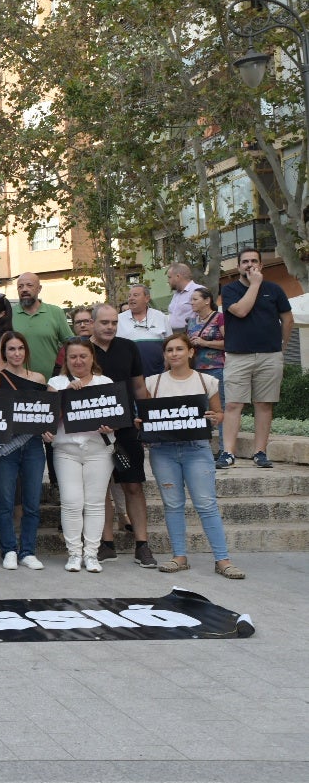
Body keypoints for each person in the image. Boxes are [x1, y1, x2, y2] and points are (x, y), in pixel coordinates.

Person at [143, 333, 238, 578]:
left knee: (206, 504)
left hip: (197, 448)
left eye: (179, 349)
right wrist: (140, 422)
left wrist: (215, 418)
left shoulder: (207, 381)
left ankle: (223, 559)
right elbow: (146, 416)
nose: (174, 354)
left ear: (190, 352)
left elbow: (219, 413)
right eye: (169, 350)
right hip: (163, 450)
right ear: (165, 355)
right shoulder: (152, 383)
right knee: (172, 504)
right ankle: (179, 556)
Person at [89, 304, 152, 565]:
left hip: (126, 431)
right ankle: (106, 543)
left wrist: (147, 420)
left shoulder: (128, 347)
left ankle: (142, 544)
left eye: (114, 322)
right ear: (92, 323)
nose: (110, 327)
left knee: (133, 485)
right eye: (104, 322)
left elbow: (139, 386)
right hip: (92, 431)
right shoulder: (81, 350)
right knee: (100, 488)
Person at [219, 247, 293, 469]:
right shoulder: (230, 289)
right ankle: (228, 453)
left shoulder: (275, 290)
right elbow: (241, 311)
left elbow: (287, 319)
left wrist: (283, 345)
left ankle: (260, 452)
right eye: (245, 262)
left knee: (264, 404)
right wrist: (255, 284)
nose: (249, 265)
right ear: (238, 266)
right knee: (233, 404)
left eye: (254, 261)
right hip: (238, 356)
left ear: (261, 264)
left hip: (269, 356)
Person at [49, 338, 117, 572]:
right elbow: (48, 420)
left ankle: (91, 554)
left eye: (83, 356)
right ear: (66, 360)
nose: (78, 361)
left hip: (98, 450)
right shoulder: (55, 382)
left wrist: (111, 426)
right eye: (73, 357)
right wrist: (65, 394)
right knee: (71, 502)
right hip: (66, 450)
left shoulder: (105, 382)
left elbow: (115, 415)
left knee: (95, 503)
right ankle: (74, 553)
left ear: (92, 358)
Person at [0, 332, 53, 571]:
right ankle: (9, 550)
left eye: (20, 349)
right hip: (5, 446)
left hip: (33, 443)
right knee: (5, 501)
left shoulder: (38, 377)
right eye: (11, 349)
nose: (16, 353)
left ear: (26, 351)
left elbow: (49, 406)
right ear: (3, 352)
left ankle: (28, 551)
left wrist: (49, 427)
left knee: (32, 502)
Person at [13, 272, 73, 376]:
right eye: (20, 286)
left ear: (39, 289)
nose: (24, 289)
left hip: (51, 382)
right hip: (18, 384)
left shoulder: (55, 312)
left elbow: (71, 344)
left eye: (29, 285)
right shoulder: (9, 314)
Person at [122, 284, 171, 375]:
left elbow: (170, 345)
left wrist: (167, 366)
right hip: (128, 376)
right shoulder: (118, 319)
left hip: (158, 375)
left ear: (147, 298)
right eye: (129, 296)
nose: (131, 298)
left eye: (135, 295)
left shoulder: (161, 317)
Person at [186, 285, 225, 400]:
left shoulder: (219, 317)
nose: (191, 303)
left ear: (207, 300)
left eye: (195, 299)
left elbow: (230, 343)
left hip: (215, 368)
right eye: (191, 300)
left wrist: (205, 343)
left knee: (219, 403)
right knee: (200, 405)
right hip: (195, 369)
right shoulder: (191, 322)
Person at [166, 262, 196, 332]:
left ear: (178, 277)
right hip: (173, 334)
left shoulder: (197, 290)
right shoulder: (176, 294)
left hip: (189, 334)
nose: (168, 281)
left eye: (169, 277)